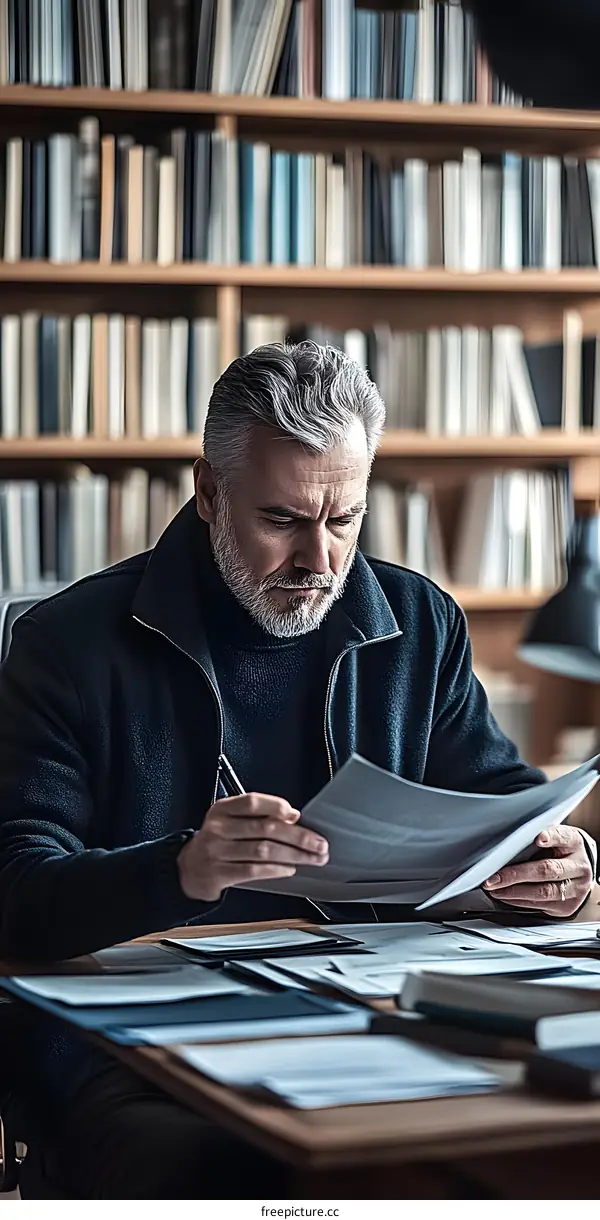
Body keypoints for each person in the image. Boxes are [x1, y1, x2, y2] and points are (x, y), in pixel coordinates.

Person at [0, 342, 595, 1199]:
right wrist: (180, 871)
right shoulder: (69, 644)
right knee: (248, 1174)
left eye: (344, 520)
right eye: (281, 520)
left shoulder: (420, 622)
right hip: (135, 1044)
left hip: (383, 1014)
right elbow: (16, 895)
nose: (321, 561)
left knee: (527, 1154)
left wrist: (560, 868)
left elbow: (502, 810)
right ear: (208, 493)